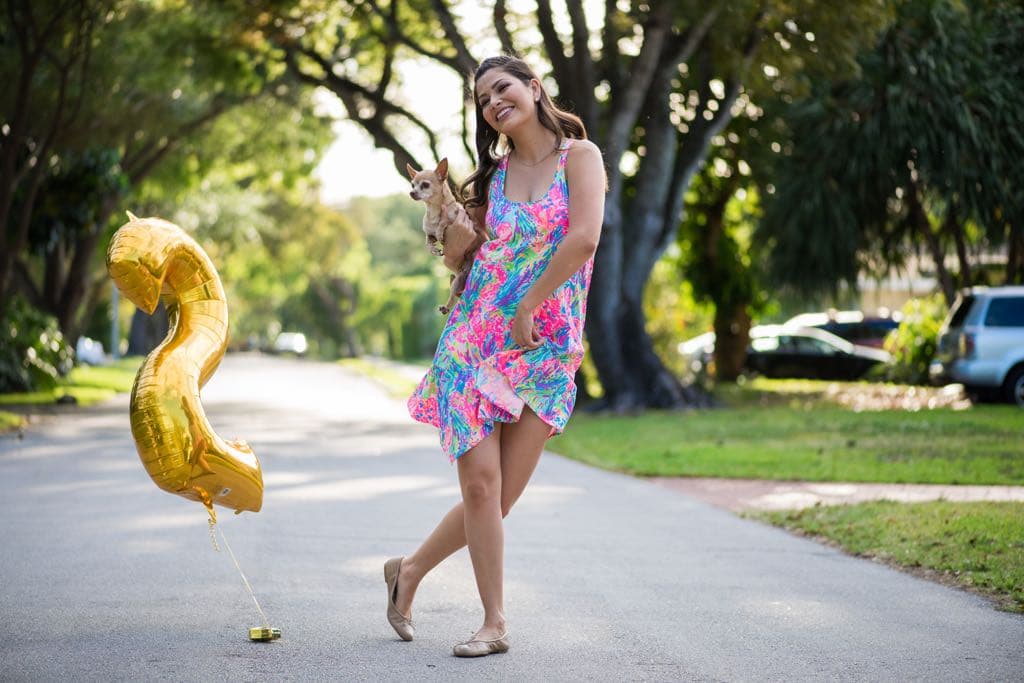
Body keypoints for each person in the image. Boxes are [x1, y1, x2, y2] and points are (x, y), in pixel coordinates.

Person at [392, 54, 607, 658]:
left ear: (534, 88)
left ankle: (408, 571)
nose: (493, 102)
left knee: (502, 496)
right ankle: (494, 623)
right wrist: (447, 228)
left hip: (545, 344)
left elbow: (584, 238)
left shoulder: (581, 158)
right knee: (482, 489)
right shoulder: (492, 176)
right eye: (483, 99)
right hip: (473, 339)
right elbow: (464, 258)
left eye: (502, 88)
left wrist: (529, 306)